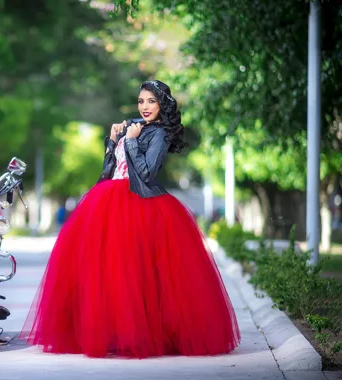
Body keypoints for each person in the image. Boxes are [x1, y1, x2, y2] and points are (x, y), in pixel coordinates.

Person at [18, 80, 241, 359]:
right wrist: (112, 143)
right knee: (108, 272)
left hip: (142, 204)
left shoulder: (159, 134)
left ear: (162, 105)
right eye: (141, 101)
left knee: (139, 273)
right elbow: (109, 172)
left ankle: (143, 334)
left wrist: (133, 142)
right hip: (109, 201)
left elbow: (146, 174)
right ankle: (111, 332)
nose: (145, 107)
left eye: (151, 101)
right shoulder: (133, 129)